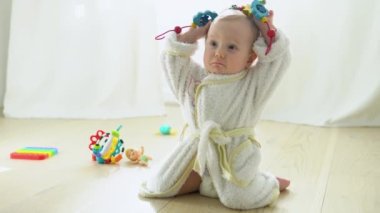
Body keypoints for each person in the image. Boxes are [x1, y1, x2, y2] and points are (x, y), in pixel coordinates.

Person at [140, 5, 291, 210]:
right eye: (212, 43)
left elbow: (278, 61)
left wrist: (266, 29)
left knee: (237, 199)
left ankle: (267, 182)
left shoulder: (253, 84)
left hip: (233, 154)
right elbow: (171, 59)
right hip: (195, 151)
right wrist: (191, 35)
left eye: (231, 47)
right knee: (159, 186)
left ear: (250, 58)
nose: (219, 53)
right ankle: (206, 182)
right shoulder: (192, 79)